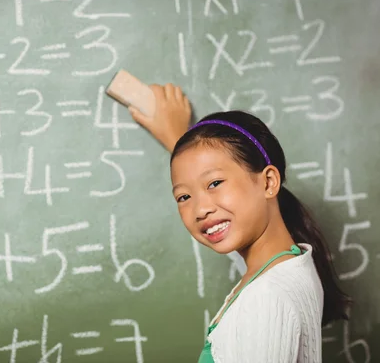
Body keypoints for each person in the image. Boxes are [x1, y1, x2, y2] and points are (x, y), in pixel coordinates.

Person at [128, 84, 351, 362]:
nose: (200, 209)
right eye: (184, 196)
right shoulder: (290, 260)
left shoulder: (265, 299)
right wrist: (180, 137)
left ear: (269, 182)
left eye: (215, 183)